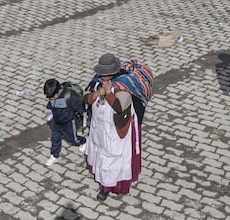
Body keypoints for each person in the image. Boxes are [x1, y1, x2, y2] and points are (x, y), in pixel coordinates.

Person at [83, 54, 153, 202]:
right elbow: (87, 99)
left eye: (103, 74)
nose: (100, 76)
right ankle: (102, 178)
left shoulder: (124, 87)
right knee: (101, 151)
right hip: (100, 127)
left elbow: (120, 107)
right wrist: (98, 93)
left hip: (115, 131)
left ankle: (107, 187)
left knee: (112, 157)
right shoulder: (98, 82)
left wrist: (108, 94)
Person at [43, 78, 86, 166]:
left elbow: (77, 105)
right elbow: (50, 104)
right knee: (55, 139)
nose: (51, 99)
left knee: (73, 139)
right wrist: (48, 110)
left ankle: (83, 141)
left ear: (59, 91)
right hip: (56, 122)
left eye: (52, 96)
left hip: (68, 122)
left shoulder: (69, 95)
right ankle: (54, 155)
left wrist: (83, 113)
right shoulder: (52, 96)